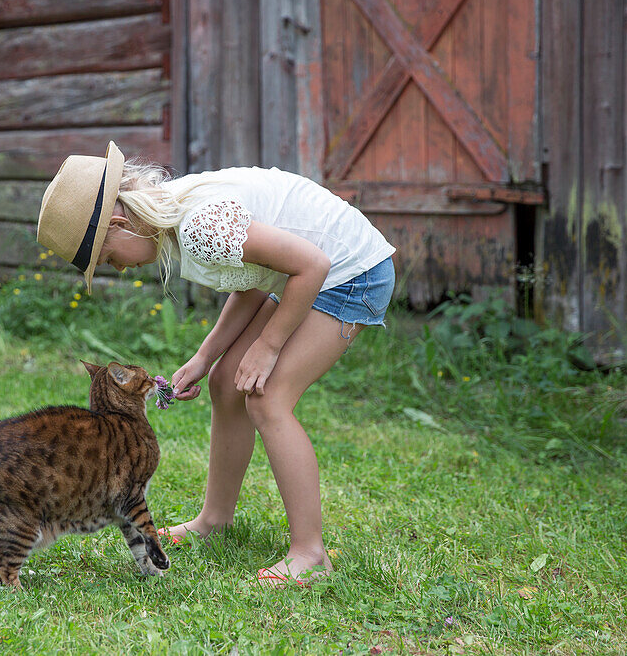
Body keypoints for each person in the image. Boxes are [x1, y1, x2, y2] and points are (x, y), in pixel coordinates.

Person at [36, 141, 396, 586]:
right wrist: (205, 358)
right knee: (227, 382)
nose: (120, 269)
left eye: (108, 259)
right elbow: (254, 278)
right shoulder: (177, 215)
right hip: (308, 274)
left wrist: (268, 345)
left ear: (119, 224)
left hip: (350, 275)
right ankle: (214, 520)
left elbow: (313, 265)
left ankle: (311, 553)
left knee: (268, 398)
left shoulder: (199, 227)